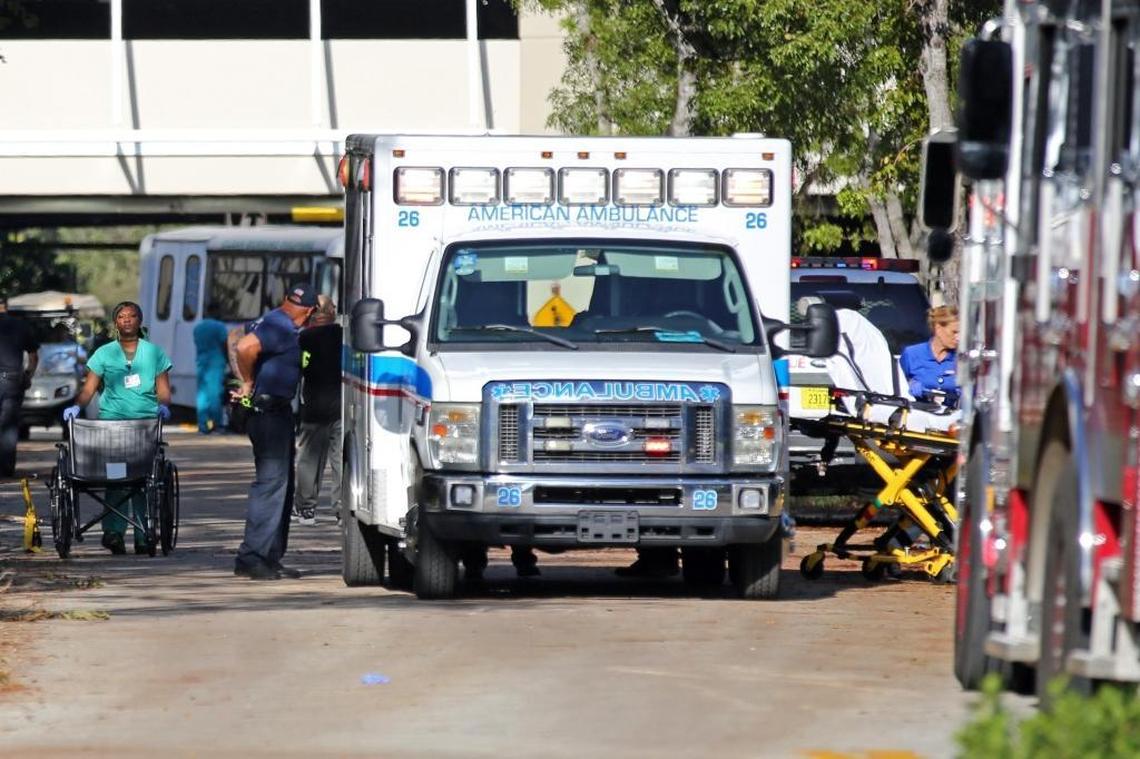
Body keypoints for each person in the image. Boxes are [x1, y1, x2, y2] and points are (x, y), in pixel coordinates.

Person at [64, 301, 172, 555]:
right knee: (116, 478)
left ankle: (145, 534)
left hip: (145, 424)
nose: (126, 320)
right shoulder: (104, 353)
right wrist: (76, 407)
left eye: (131, 316)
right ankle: (113, 533)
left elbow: (164, 390)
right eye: (121, 316)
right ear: (115, 323)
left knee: (144, 479)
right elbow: (89, 389)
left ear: (139, 321)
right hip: (112, 423)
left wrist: (164, 406)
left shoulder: (154, 353)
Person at [231, 283, 318, 581]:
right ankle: (252, 557)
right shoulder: (280, 325)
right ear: (310, 311)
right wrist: (247, 383)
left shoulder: (271, 319)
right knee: (270, 485)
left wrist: (245, 381)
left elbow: (235, 336)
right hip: (268, 413)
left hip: (274, 412)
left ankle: (269, 556)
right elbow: (244, 347)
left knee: (283, 484)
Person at [293, 295, 342, 526]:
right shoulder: (343, 336)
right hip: (340, 407)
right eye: (333, 306)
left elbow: (300, 368)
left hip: (313, 408)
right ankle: (342, 510)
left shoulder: (304, 338)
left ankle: (306, 509)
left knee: (309, 461)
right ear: (329, 311)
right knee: (341, 460)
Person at [0, 296, 39, 477]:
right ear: (6, 306)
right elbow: (33, 357)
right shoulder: (20, 326)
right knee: (8, 426)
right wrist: (28, 375)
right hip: (12, 382)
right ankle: (6, 469)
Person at [899, 305, 960, 408]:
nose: (958, 338)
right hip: (916, 413)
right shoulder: (911, 354)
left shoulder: (961, 359)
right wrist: (910, 386)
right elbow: (897, 388)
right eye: (954, 332)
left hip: (950, 415)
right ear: (938, 329)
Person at [192, 308, 229, 434]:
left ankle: (203, 426)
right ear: (218, 313)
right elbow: (225, 344)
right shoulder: (219, 326)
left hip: (201, 362)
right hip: (216, 362)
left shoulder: (198, 328)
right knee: (215, 393)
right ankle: (216, 424)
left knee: (202, 395)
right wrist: (229, 359)